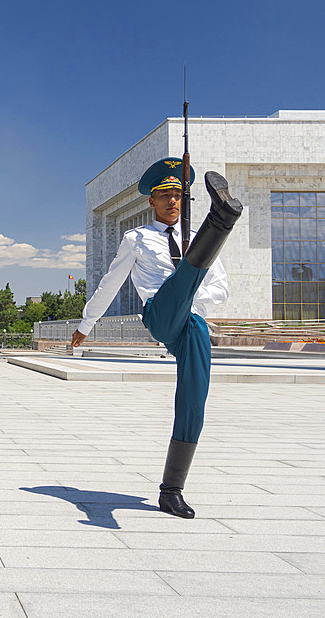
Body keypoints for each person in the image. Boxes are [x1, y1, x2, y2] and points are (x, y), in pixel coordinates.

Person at [72, 158, 242, 519]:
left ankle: (171, 491)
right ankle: (223, 218)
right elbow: (111, 282)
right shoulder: (137, 238)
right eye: (165, 195)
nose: (173, 202)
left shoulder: (196, 241)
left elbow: (222, 289)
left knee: (195, 402)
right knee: (178, 283)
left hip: (192, 324)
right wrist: (86, 324)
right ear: (152, 201)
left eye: (179, 196)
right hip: (161, 315)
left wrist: (192, 296)